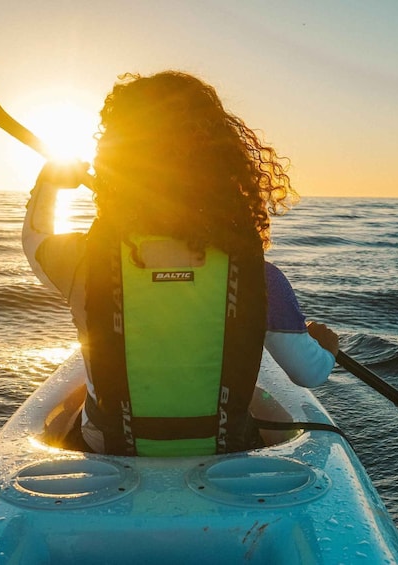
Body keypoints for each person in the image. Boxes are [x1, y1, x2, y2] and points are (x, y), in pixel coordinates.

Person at [22, 71, 338, 457]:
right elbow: (309, 373)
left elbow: (34, 239)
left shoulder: (80, 262)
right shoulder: (260, 277)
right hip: (224, 456)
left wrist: (50, 181)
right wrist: (326, 346)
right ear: (221, 169)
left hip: (109, 451)